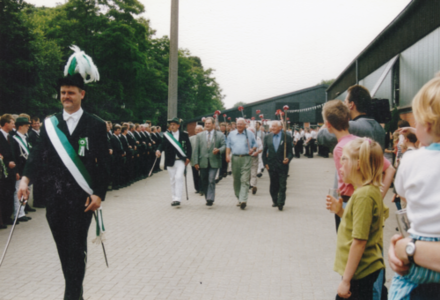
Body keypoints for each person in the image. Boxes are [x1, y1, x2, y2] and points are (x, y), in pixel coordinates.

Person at [18, 46, 109, 300]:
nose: (66, 96)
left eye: (70, 92)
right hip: (55, 201)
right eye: (63, 93)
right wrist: (25, 180)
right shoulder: (50, 125)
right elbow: (35, 156)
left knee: (76, 250)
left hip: (83, 202)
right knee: (66, 252)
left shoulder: (96, 125)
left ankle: (72, 296)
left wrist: (99, 194)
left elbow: (104, 165)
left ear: (82, 94)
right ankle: (75, 292)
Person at [388, 75, 440, 300]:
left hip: (419, 245)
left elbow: (400, 188)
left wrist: (407, 248)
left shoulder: (411, 160)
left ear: (427, 125)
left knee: (402, 285)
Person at [322, 100, 395, 231]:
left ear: (328, 125)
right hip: (368, 202)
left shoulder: (340, 149)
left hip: (350, 203)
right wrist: (379, 197)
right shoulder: (364, 142)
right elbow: (390, 169)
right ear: (348, 119)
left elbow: (348, 182)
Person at [326, 137, 385, 300]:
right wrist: (340, 212)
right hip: (360, 271)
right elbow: (361, 226)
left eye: (344, 160)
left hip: (358, 273)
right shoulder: (367, 191)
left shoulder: (363, 196)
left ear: (358, 164)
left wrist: (346, 280)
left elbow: (359, 241)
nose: (340, 166)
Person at [156, 118, 192, 207]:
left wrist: (188, 157)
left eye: (174, 124)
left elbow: (189, 147)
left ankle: (178, 199)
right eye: (170, 125)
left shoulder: (184, 135)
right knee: (172, 180)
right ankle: (174, 198)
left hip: (180, 160)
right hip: (170, 160)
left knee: (179, 177)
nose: (172, 126)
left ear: (178, 126)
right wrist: (158, 150)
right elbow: (162, 145)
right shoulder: (166, 135)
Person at [192, 117, 225, 206]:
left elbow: (224, 146)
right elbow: (196, 149)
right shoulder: (199, 135)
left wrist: (218, 150)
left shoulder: (219, 135)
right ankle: (207, 197)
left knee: (211, 179)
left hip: (214, 161)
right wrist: (195, 162)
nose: (207, 125)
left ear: (213, 125)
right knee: (204, 180)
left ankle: (210, 198)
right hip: (203, 162)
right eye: (206, 124)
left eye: (209, 123)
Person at [226, 118, 257, 209]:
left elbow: (255, 145)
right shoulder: (231, 134)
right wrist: (227, 155)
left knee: (244, 179)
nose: (239, 125)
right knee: (236, 180)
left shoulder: (250, 134)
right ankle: (239, 197)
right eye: (238, 124)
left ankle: (243, 199)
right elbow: (228, 145)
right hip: (235, 158)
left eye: (241, 124)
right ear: (235, 125)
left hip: (246, 158)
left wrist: (252, 149)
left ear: (244, 125)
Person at [262, 121, 293, 210]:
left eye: (275, 126)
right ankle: (275, 200)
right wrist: (265, 163)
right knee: (273, 185)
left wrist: (288, 159)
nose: (272, 128)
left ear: (280, 127)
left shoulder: (287, 137)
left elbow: (290, 153)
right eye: (272, 126)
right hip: (271, 165)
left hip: (283, 165)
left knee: (282, 184)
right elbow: (264, 152)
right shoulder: (267, 137)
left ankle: (281, 203)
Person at [10, 117, 33, 222]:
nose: (28, 128)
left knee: (25, 190)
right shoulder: (14, 139)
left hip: (25, 168)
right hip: (19, 168)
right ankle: (18, 214)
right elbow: (15, 156)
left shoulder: (25, 137)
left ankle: (22, 212)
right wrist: (17, 171)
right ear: (20, 126)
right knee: (18, 192)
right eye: (26, 126)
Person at [0, 114, 17, 229]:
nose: (13, 125)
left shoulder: (10, 136)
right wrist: (6, 163)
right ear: (6, 124)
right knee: (3, 195)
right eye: (12, 123)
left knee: (10, 193)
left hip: (11, 172)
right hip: (2, 171)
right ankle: (3, 218)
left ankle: (8, 217)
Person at [247, 127, 263, 195]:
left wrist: (257, 152)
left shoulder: (257, 138)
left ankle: (253, 185)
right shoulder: (245, 138)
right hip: (246, 157)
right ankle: (248, 184)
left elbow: (261, 148)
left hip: (254, 157)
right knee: (247, 172)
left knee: (253, 171)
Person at [190, 125, 203, 194]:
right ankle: (197, 188)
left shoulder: (204, 138)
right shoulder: (191, 138)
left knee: (202, 175)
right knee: (195, 174)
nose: (197, 131)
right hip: (193, 160)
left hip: (202, 160)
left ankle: (201, 188)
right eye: (196, 130)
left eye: (199, 130)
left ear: (202, 131)